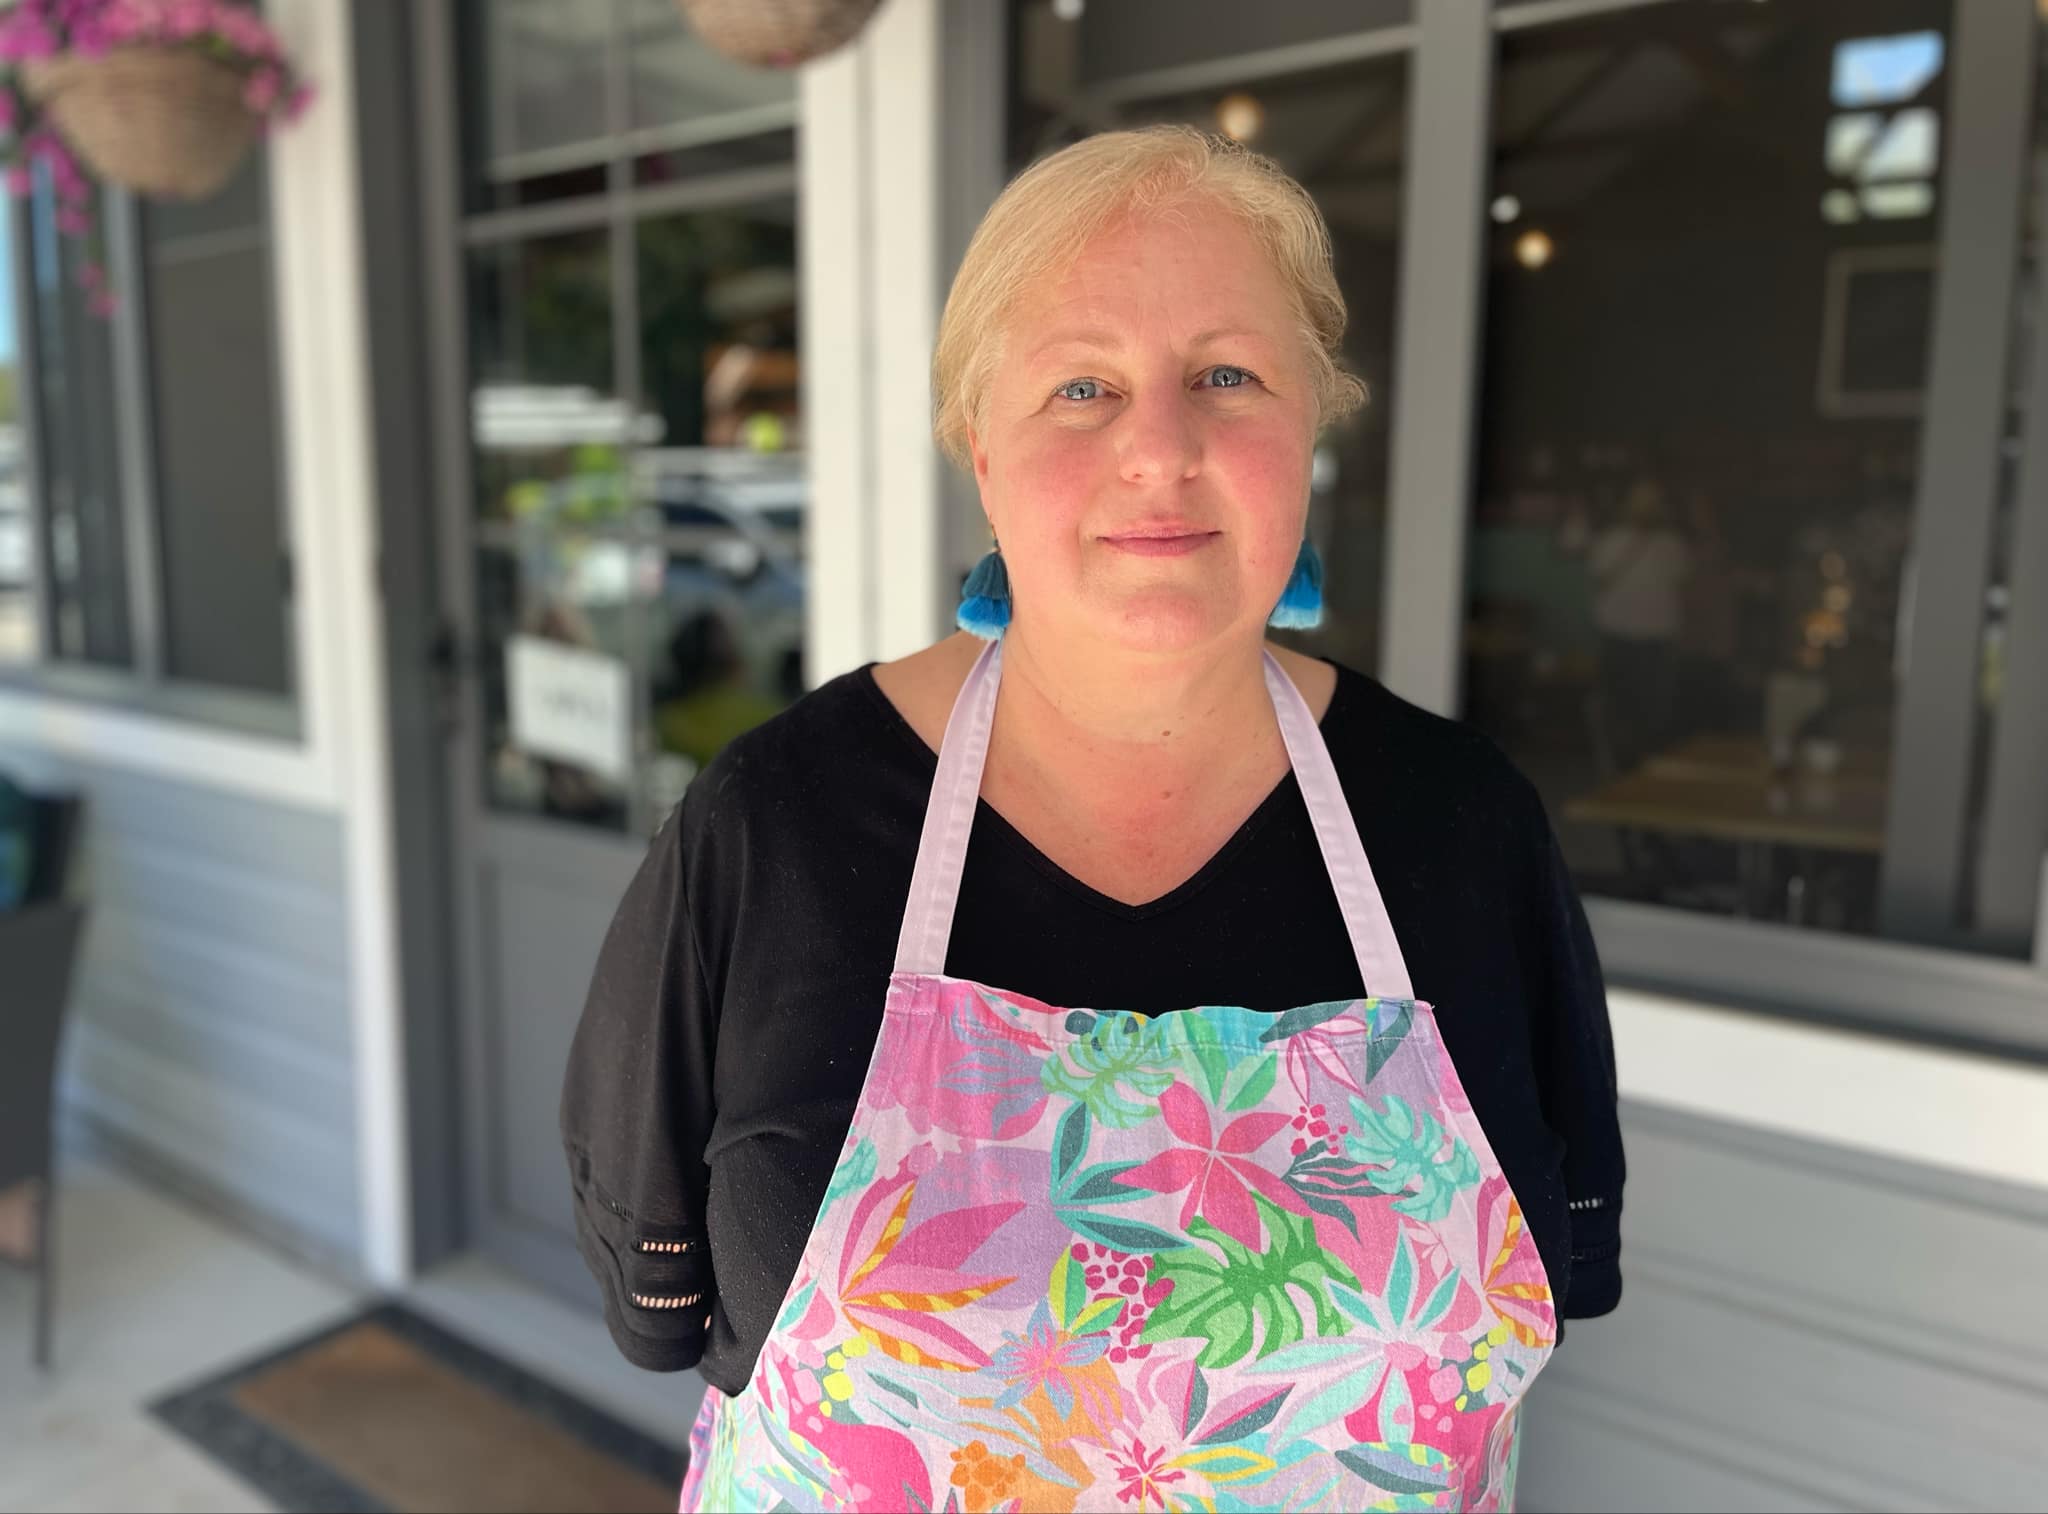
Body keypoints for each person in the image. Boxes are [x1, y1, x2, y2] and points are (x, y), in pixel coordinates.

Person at [561, 126, 1623, 1513]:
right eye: (1082, 385)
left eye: (1227, 375)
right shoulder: (772, 833)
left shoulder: (1465, 826)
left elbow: (1559, 1268)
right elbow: (662, 1302)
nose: (1160, 449)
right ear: (981, 448)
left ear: (1312, 421)